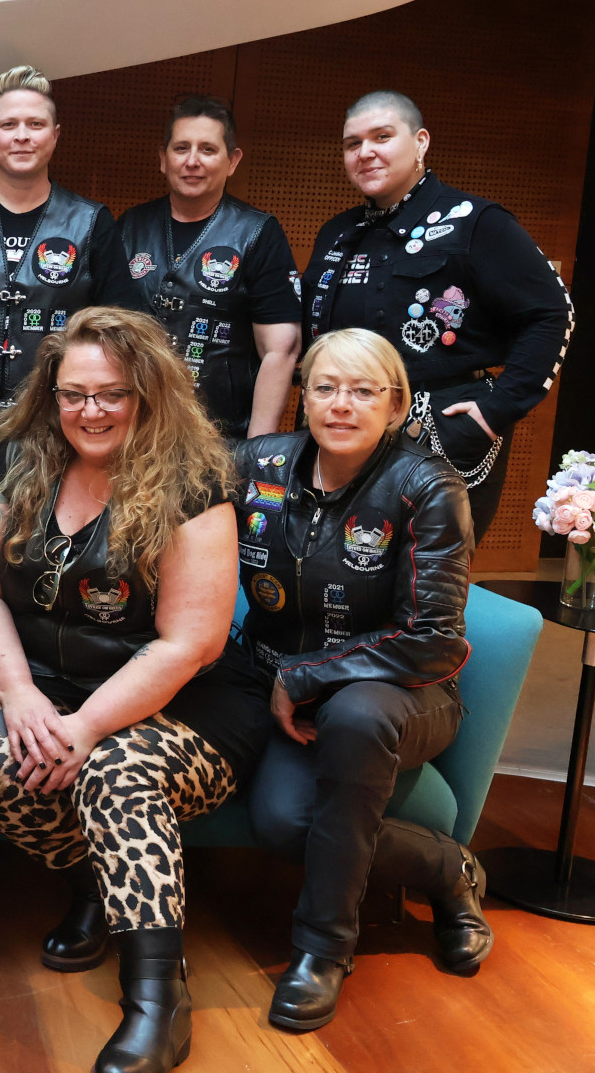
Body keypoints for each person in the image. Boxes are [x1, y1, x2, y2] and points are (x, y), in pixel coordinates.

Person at [0, 306, 269, 1073]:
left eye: (112, 394)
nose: (90, 411)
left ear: (148, 394)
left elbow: (189, 643)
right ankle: (102, 878)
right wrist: (20, 694)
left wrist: (86, 727)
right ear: (50, 394)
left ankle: (157, 996)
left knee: (115, 774)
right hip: (37, 677)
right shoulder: (14, 460)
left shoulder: (197, 481)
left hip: (179, 700)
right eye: (73, 393)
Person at [237, 328, 490, 1033]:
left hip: (405, 695)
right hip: (293, 691)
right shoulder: (260, 464)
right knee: (285, 822)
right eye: (324, 387)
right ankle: (447, 869)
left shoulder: (428, 486)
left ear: (398, 405)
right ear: (304, 396)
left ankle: (322, 948)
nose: (340, 405)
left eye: (362, 390)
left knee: (355, 716)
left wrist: (308, 675)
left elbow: (434, 639)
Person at [303, 90, 572, 538]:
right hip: (340, 428)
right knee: (331, 567)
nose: (366, 152)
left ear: (421, 142)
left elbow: (552, 314)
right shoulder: (336, 234)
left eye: (382, 137)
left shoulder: (477, 221)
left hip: (440, 429)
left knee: (426, 585)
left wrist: (495, 410)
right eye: (353, 144)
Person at [0, 65, 148, 516]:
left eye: (35, 124)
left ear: (55, 135)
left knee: (33, 549)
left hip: (51, 427)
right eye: (9, 125)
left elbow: (122, 328)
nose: (22, 136)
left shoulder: (91, 221)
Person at [120, 94, 302, 442]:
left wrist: (256, 449)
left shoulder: (257, 233)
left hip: (220, 435)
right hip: (134, 427)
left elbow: (281, 350)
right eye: (181, 148)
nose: (192, 161)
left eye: (207, 149)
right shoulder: (130, 225)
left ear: (232, 161)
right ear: (163, 159)